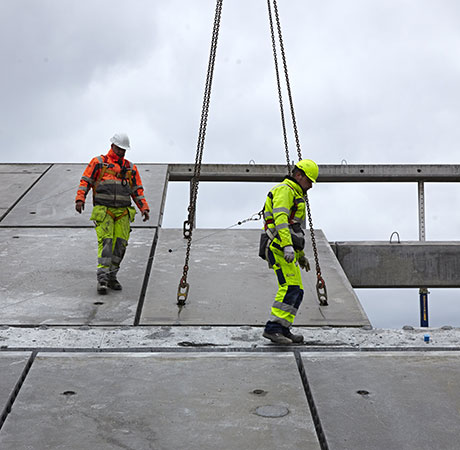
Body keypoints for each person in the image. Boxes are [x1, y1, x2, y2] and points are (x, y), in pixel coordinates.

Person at [75, 133, 150, 294]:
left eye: (124, 150)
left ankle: (111, 276)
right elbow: (86, 181)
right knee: (107, 242)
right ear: (112, 146)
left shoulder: (130, 168)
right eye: (119, 149)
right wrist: (80, 199)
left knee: (120, 245)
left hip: (123, 212)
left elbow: (137, 190)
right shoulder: (99, 163)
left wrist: (144, 207)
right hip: (104, 211)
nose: (121, 152)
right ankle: (102, 279)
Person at [260, 159, 318, 344]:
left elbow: (295, 230)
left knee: (297, 291)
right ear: (298, 175)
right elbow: (281, 221)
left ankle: (283, 328)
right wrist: (287, 246)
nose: (310, 186)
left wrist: (300, 255)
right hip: (277, 247)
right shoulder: (285, 191)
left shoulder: (295, 194)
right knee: (289, 287)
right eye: (309, 181)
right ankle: (273, 329)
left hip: (285, 248)